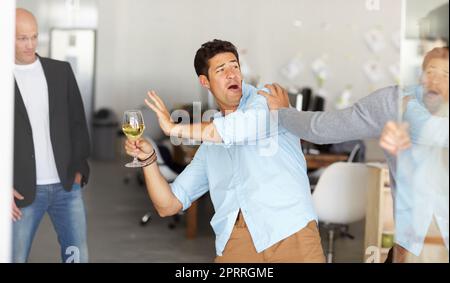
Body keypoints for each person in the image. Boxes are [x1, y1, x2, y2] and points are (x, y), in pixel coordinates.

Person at [125, 39, 325, 263]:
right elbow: (168, 204)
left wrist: (172, 127)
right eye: (221, 70)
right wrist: (148, 159)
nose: (232, 74)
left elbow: (236, 129)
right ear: (205, 81)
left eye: (235, 66)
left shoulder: (267, 101)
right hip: (237, 239)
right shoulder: (211, 145)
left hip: (290, 230)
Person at [11, 8, 91, 263]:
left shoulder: (60, 71)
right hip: (22, 192)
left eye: (34, 36)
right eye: (22, 38)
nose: (30, 44)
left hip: (67, 186)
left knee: (77, 257)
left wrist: (79, 169)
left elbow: (78, 122)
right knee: (14, 257)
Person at [379, 47, 449, 263]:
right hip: (414, 233)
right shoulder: (410, 105)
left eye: (446, 74)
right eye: (430, 71)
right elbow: (428, 129)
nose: (436, 79)